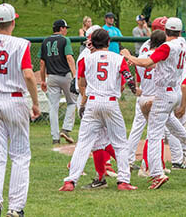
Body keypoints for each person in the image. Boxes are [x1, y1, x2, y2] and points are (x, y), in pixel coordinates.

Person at [121, 17, 186, 190]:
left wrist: (129, 56)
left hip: (163, 92)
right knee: (169, 119)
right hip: (174, 91)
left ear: (166, 31)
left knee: (154, 134)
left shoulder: (167, 46)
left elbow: (148, 62)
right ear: (180, 32)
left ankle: (157, 173)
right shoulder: (182, 43)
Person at [59, 29, 139, 192]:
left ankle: (70, 181)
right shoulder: (117, 58)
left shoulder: (86, 59)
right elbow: (127, 78)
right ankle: (123, 181)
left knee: (83, 144)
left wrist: (83, 103)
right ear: (109, 43)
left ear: (92, 43)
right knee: (120, 144)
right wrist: (134, 89)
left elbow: (82, 83)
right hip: (110, 102)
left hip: (92, 102)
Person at [0, 3, 40, 217]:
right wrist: (35, 102)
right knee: (21, 155)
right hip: (15, 100)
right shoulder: (21, 44)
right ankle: (15, 208)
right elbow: (29, 75)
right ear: (13, 22)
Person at [127, 16, 168, 171]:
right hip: (155, 93)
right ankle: (149, 164)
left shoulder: (145, 47)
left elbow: (139, 66)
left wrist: (137, 86)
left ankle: (131, 160)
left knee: (139, 127)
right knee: (156, 131)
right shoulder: (163, 49)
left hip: (144, 90)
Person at [39, 19, 76, 144]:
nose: (66, 30)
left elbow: (42, 62)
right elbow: (69, 58)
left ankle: (55, 138)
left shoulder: (45, 41)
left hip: (51, 77)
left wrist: (43, 80)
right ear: (61, 28)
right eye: (65, 28)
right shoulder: (65, 40)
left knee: (53, 107)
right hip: (65, 75)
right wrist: (75, 75)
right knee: (72, 102)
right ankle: (65, 129)